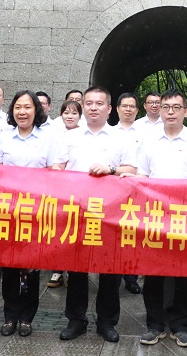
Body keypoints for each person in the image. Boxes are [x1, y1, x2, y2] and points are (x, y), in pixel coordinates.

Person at [52, 86, 137, 343]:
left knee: (110, 270)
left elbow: (132, 169)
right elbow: (57, 166)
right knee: (77, 268)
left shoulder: (122, 138)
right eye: (88, 103)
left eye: (99, 103)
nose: (93, 107)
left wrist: (110, 169)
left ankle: (107, 322)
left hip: (111, 212)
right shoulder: (69, 136)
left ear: (109, 109)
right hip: (77, 211)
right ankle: (76, 320)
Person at [138, 89, 187, 349]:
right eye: (166, 107)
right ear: (159, 110)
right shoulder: (148, 140)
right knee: (153, 273)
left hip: (185, 217)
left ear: (185, 111)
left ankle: (181, 326)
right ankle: (154, 325)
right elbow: (142, 177)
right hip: (155, 217)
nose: (170, 112)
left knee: (184, 274)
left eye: (176, 107)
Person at [0, 90, 54, 337]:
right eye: (18, 107)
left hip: (36, 211)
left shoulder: (48, 138)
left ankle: (27, 317)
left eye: (27, 107)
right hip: (8, 209)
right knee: (9, 265)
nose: (22, 112)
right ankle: (10, 316)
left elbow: (54, 174)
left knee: (32, 266)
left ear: (36, 110)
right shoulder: (3, 137)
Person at [45, 99, 83, 290]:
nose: (70, 116)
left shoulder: (84, 135)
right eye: (66, 113)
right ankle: (57, 270)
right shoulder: (53, 133)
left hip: (78, 192)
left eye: (74, 113)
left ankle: (75, 268)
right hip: (56, 190)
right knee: (59, 231)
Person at [113, 92, 144, 294]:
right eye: (124, 106)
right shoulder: (110, 133)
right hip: (113, 189)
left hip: (136, 188)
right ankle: (113, 272)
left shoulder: (145, 134)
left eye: (132, 106)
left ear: (137, 110)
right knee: (115, 232)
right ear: (117, 109)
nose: (128, 109)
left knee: (132, 233)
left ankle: (131, 277)